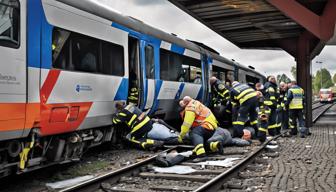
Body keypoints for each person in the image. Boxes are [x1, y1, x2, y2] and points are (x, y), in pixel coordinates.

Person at [178, 96, 220, 162]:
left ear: (186, 102)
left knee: (194, 133)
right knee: (198, 140)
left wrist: (181, 135)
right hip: (210, 126)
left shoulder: (190, 108)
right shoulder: (195, 103)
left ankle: (201, 155)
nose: (181, 106)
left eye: (182, 104)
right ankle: (215, 146)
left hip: (207, 125)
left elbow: (187, 124)